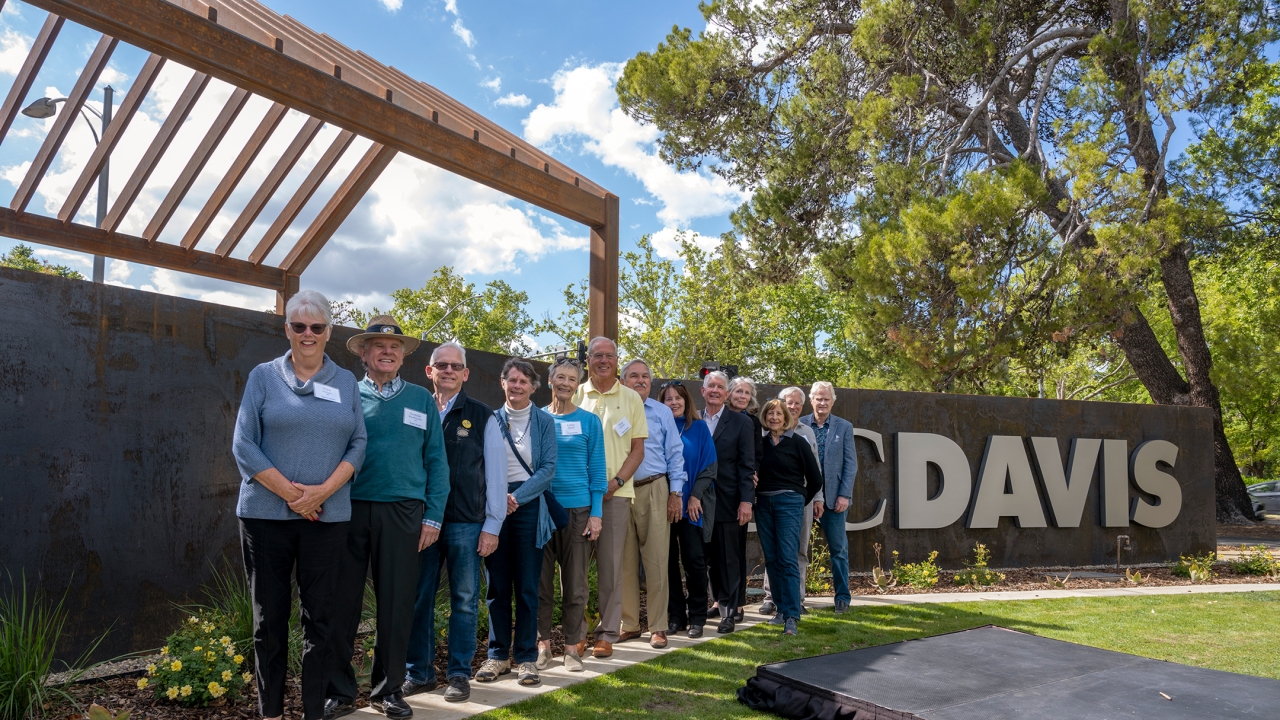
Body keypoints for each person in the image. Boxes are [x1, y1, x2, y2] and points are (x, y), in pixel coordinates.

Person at [233, 290, 366, 720]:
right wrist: (295, 497)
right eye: (298, 325)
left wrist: (322, 492)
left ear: (329, 331)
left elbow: (358, 442)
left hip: (327, 519)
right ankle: (270, 713)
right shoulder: (263, 377)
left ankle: (313, 712)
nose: (308, 334)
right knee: (268, 622)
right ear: (285, 328)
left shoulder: (345, 381)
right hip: (265, 517)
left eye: (317, 326)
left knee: (321, 621)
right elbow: (243, 445)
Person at [325, 317, 450, 720]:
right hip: (348, 509)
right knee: (342, 604)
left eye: (394, 347)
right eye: (378, 345)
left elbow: (436, 461)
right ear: (363, 353)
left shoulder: (420, 399)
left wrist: (432, 517)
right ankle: (340, 692)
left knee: (397, 606)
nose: (387, 351)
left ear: (402, 356)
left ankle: (388, 690)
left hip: (404, 512)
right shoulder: (346, 393)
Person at [403, 341, 507, 703]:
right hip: (420, 523)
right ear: (429, 371)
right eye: (440, 365)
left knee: (464, 600)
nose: (448, 370)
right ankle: (419, 673)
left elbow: (496, 475)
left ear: (465, 374)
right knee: (419, 599)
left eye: (455, 366)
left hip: (466, 523)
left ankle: (459, 675)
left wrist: (492, 526)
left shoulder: (482, 416)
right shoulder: (412, 408)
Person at [476, 359, 557, 686]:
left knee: (526, 586)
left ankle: (525, 658)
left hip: (528, 505)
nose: (517, 386)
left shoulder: (543, 422)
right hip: (493, 505)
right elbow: (480, 466)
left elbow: (548, 467)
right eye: (512, 380)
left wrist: (517, 498)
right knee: (497, 586)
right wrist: (498, 501)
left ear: (534, 387)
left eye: (524, 381)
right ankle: (497, 656)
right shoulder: (490, 420)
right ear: (502, 383)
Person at [572, 337, 648, 658]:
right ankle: (576, 633)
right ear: (587, 360)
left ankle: (606, 634)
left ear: (617, 360)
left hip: (615, 496)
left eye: (610, 355)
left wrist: (616, 481)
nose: (604, 360)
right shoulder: (575, 394)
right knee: (574, 567)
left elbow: (637, 450)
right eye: (597, 355)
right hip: (576, 495)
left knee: (610, 567)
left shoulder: (631, 398)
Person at [536, 358, 606, 672]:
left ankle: (571, 649)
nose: (565, 383)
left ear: (577, 385)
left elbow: (598, 471)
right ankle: (542, 647)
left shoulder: (590, 422)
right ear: (550, 380)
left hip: (578, 511)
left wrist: (596, 513)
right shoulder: (535, 418)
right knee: (539, 583)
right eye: (560, 377)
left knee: (575, 585)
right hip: (540, 509)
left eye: (572, 379)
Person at [617, 359, 687, 649]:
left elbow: (675, 452)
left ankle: (658, 626)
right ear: (622, 381)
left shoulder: (661, 412)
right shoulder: (614, 410)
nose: (641, 380)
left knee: (657, 561)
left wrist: (676, 493)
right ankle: (629, 624)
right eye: (634, 375)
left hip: (655, 488)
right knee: (624, 562)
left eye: (645, 376)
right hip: (619, 492)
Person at [755, 399, 823, 636]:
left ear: (787, 417)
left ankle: (792, 616)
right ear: (765, 417)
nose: (774, 417)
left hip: (789, 503)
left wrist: (798, 500)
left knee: (787, 558)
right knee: (772, 559)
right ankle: (781, 611)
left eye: (779, 413)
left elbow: (815, 479)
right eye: (770, 413)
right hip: (763, 503)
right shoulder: (760, 444)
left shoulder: (798, 442)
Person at [659, 381, 716, 639]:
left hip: (691, 507)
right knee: (667, 563)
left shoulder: (699, 428)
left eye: (678, 398)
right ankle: (675, 617)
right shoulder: (656, 429)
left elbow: (709, 468)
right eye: (668, 399)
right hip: (662, 505)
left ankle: (697, 617)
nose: (673, 402)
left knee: (694, 561)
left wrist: (694, 497)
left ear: (686, 401)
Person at [700, 371, 755, 634]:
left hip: (729, 501)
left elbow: (747, 466)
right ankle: (718, 600)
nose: (715, 390)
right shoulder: (693, 420)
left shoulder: (741, 423)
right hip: (696, 502)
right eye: (710, 386)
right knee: (707, 558)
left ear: (726, 394)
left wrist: (746, 501)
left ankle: (731, 612)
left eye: (720, 387)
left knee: (729, 558)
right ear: (703, 391)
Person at [799, 381, 859, 614]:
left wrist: (845, 494)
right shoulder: (799, 424)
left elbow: (850, 465)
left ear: (832, 401)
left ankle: (842, 598)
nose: (822, 403)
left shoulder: (843, 427)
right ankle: (796, 600)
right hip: (805, 498)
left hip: (835, 500)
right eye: (818, 398)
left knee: (839, 551)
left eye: (827, 399)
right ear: (811, 400)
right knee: (797, 550)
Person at [725, 376, 763, 620]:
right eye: (738, 391)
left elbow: (756, 455)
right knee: (715, 552)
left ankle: (738, 603)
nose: (742, 396)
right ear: (729, 393)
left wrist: (754, 475)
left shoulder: (752, 422)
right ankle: (720, 602)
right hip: (716, 490)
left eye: (746, 393)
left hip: (741, 491)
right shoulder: (717, 417)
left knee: (736, 550)